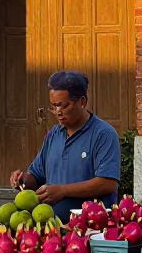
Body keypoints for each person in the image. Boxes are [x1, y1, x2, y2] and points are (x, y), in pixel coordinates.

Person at [10, 70, 121, 224]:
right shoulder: (54, 134)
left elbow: (108, 183)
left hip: (89, 227)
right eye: (53, 107)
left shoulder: (103, 134)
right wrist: (23, 180)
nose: (57, 112)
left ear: (82, 102)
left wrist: (62, 191)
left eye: (63, 106)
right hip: (52, 228)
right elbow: (36, 175)